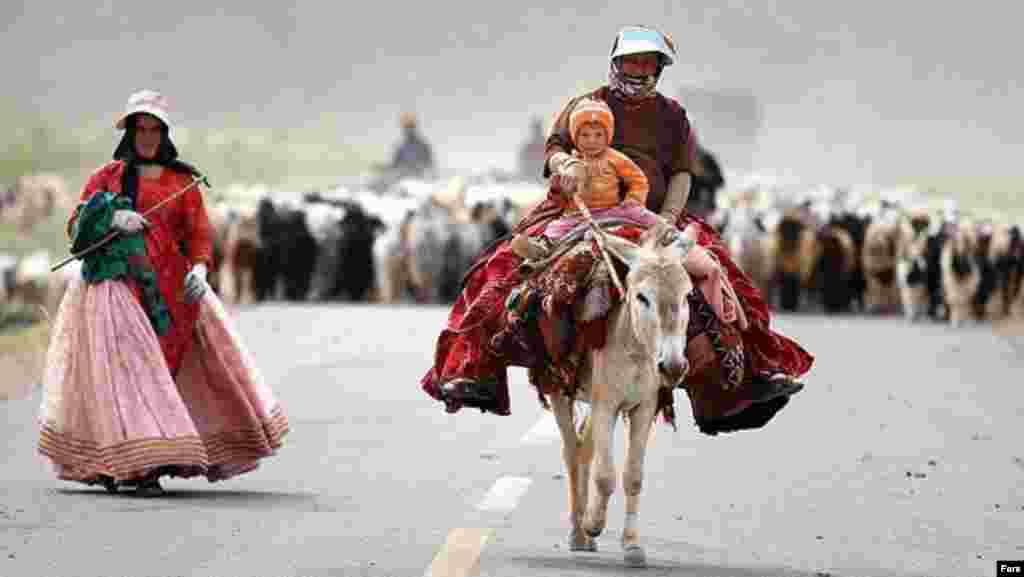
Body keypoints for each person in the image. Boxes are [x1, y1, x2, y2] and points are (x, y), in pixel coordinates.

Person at [421, 26, 812, 435]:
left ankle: (746, 379)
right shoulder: (586, 105)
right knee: (497, 272)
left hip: (655, 215)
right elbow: (554, 148)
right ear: (615, 63)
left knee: (727, 278)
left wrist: (668, 218)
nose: (638, 69)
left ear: (658, 69)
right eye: (631, 62)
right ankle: (472, 370)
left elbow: (682, 173)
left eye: (647, 63)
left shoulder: (673, 115)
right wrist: (564, 165)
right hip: (578, 209)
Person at [38, 90, 289, 496]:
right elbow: (76, 225)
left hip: (171, 292)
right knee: (129, 372)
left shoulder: (182, 182)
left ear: (164, 134)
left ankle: (145, 454)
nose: (148, 137)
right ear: (130, 132)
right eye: (141, 129)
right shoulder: (106, 178)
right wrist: (112, 217)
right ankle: (136, 464)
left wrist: (201, 268)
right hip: (115, 286)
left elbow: (200, 234)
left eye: (155, 130)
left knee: (161, 372)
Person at [388, 111, 436, 180]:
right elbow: (395, 167)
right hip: (404, 180)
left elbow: (429, 168)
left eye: (410, 127)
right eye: (406, 127)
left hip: (418, 180)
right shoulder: (400, 147)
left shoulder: (423, 146)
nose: (408, 130)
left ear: (414, 127)